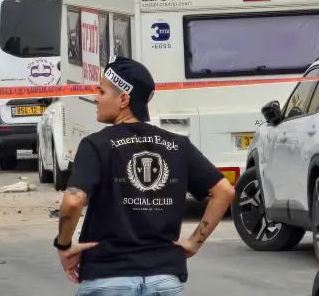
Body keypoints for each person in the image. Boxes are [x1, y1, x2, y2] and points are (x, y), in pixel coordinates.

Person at [54, 55, 235, 294]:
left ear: (123, 99)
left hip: (108, 277)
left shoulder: (96, 145)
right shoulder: (178, 145)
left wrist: (64, 245)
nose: (95, 98)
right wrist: (193, 243)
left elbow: (74, 199)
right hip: (164, 278)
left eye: (101, 91)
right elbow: (224, 191)